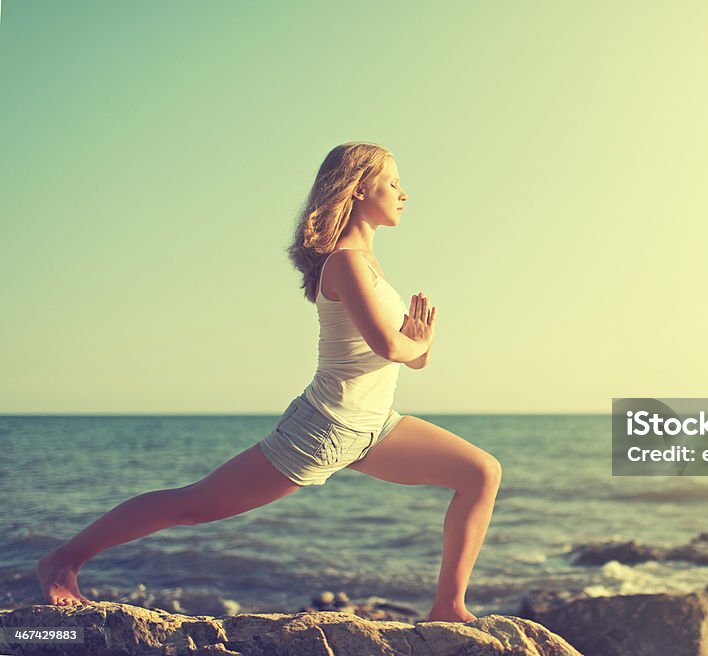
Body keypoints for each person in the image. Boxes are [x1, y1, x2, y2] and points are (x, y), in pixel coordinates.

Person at [36, 142, 502, 623]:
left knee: (480, 473)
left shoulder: (371, 265)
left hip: (374, 427)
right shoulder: (344, 263)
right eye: (394, 182)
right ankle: (61, 561)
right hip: (324, 427)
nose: (404, 193)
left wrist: (420, 343)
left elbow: (411, 357)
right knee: (194, 506)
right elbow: (391, 347)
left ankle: (447, 606)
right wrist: (415, 342)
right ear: (361, 188)